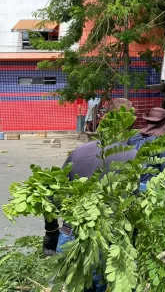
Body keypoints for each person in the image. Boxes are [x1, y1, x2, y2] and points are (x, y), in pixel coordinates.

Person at [43, 98, 137, 292]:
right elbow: (136, 203)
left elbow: (52, 195)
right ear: (128, 125)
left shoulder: (79, 151)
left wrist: (51, 235)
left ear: (103, 120)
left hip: (71, 238)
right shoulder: (132, 156)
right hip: (110, 243)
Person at [127, 107, 165, 202]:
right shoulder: (162, 141)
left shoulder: (134, 136)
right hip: (151, 189)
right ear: (164, 123)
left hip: (132, 187)